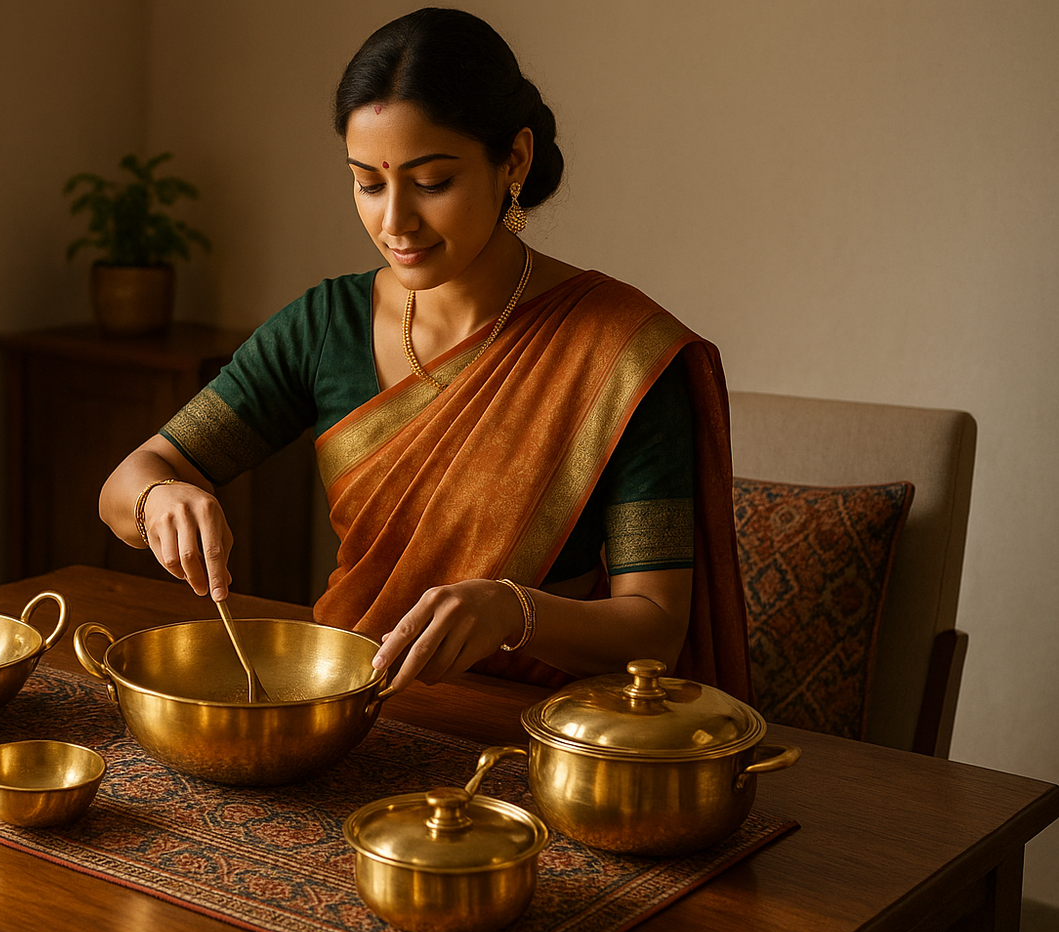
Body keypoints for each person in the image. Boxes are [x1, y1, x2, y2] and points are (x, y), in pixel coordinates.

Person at [99, 8, 752, 702]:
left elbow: (654, 629)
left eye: (432, 182)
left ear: (515, 161)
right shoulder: (326, 325)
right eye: (368, 182)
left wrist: (512, 610)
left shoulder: (621, 354)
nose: (394, 222)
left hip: (536, 731)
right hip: (345, 705)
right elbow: (125, 485)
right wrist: (159, 497)